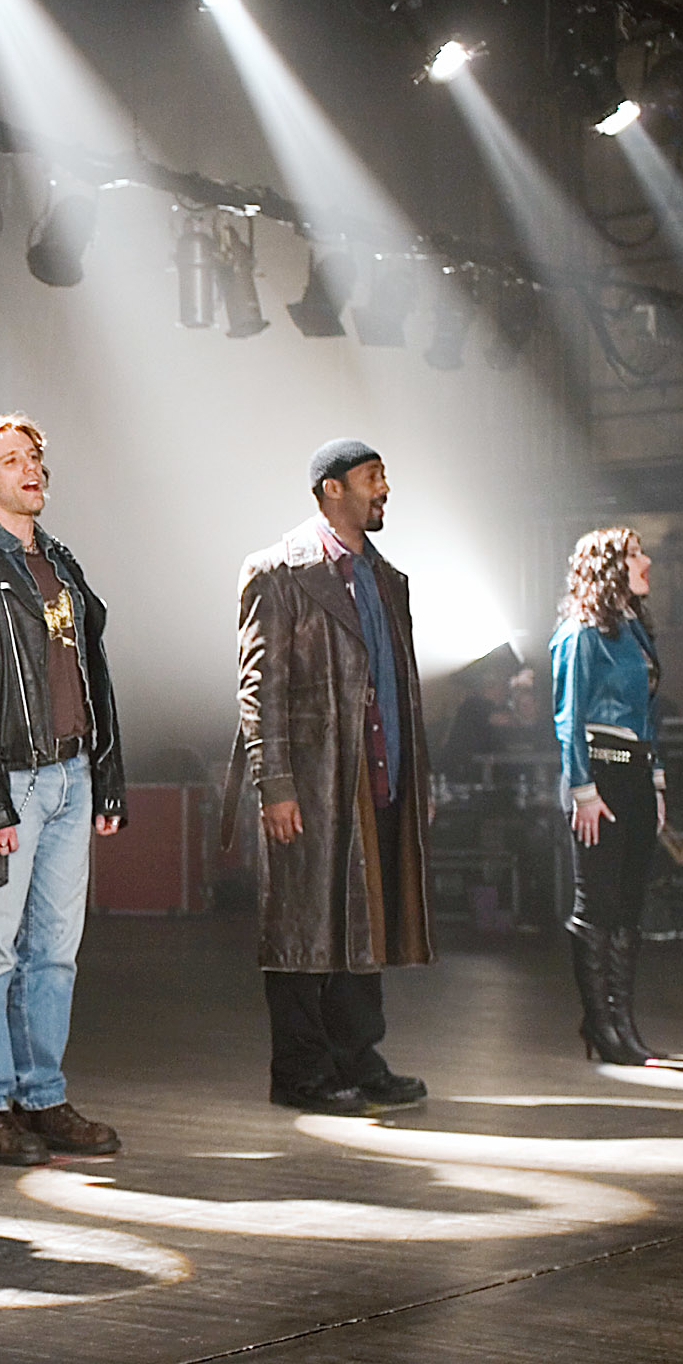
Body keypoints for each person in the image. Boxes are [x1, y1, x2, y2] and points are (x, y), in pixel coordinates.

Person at [0, 415, 128, 1166]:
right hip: (8, 781)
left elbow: (92, 677)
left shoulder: (60, 563)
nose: (30, 469)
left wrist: (106, 779)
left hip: (70, 777)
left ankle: (41, 1097)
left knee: (56, 953)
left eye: (35, 456)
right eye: (12, 460)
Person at [229, 440, 432, 1117]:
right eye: (373, 478)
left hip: (376, 775)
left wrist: (413, 778)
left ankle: (356, 1058)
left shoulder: (386, 578)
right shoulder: (278, 571)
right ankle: (300, 1070)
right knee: (302, 928)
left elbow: (397, 684)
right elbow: (259, 686)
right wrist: (275, 783)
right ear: (330, 489)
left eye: (384, 477)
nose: (384, 490)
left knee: (363, 922)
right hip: (313, 779)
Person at [552, 527, 667, 1065]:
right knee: (595, 905)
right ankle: (600, 1023)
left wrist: (658, 781)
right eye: (635, 554)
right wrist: (582, 790)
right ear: (609, 565)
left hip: (637, 774)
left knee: (627, 906)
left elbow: (648, 712)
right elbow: (568, 717)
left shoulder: (634, 630)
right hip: (599, 775)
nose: (646, 561)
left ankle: (621, 1020)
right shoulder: (581, 634)